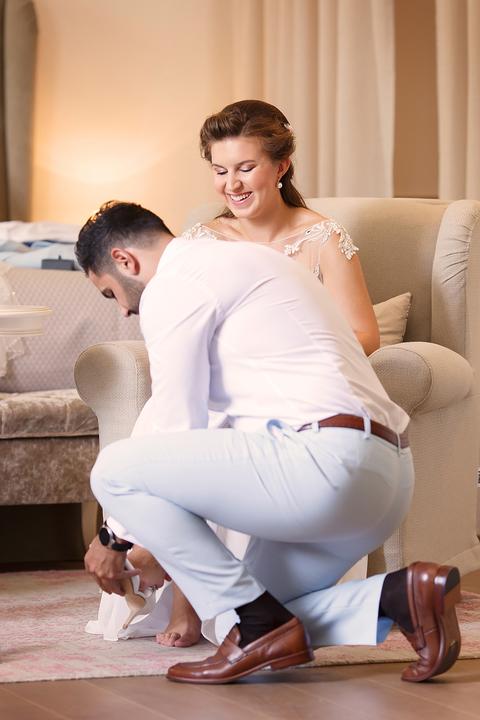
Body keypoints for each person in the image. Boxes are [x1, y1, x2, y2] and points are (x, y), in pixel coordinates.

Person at [78, 200, 461, 685]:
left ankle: (261, 624)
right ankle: (401, 594)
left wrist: (116, 537)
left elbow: (176, 421)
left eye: (111, 292)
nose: (124, 309)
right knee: (239, 623)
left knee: (114, 470)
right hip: (387, 475)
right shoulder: (250, 262)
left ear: (124, 260)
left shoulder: (175, 282)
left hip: (324, 465)